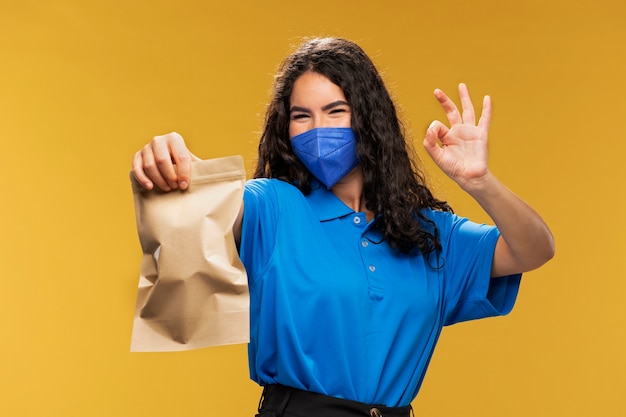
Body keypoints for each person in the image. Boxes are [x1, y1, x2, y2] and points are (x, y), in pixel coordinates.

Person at [132, 37, 554, 417]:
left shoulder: (428, 235)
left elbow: (534, 249)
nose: (318, 130)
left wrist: (480, 182)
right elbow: (216, 207)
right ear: (286, 127)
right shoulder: (273, 206)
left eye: (336, 111)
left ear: (369, 119)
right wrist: (173, 165)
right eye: (302, 116)